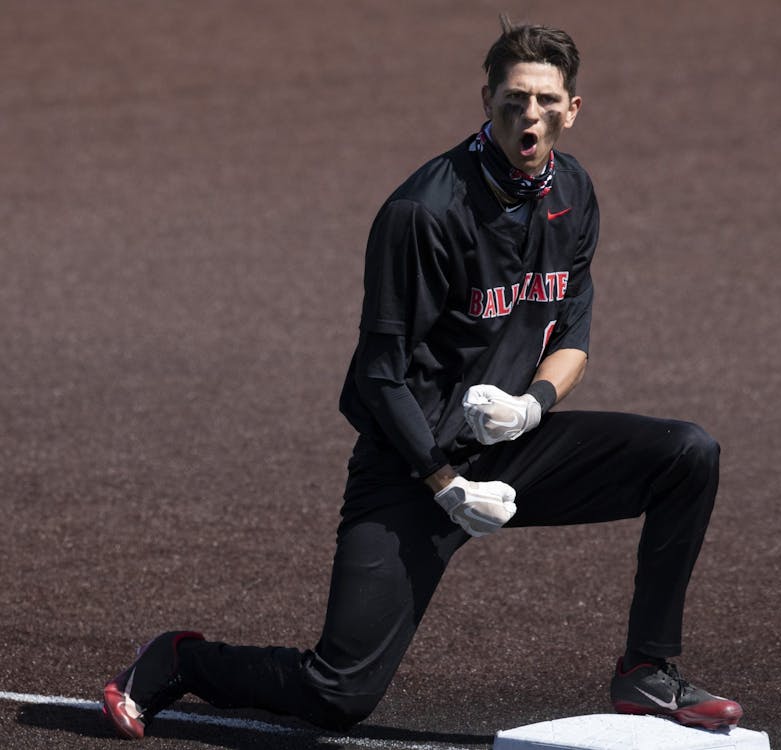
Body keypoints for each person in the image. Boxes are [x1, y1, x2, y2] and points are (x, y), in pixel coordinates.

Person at [101, 18, 743, 740]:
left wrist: (530, 409)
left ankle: (646, 673)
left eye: (542, 100)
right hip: (411, 465)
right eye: (512, 99)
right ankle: (180, 661)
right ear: (486, 99)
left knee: (687, 454)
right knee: (338, 692)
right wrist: (446, 485)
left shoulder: (574, 198)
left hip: (505, 453)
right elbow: (378, 375)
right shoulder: (425, 211)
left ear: (571, 109)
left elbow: (573, 341)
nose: (527, 114)